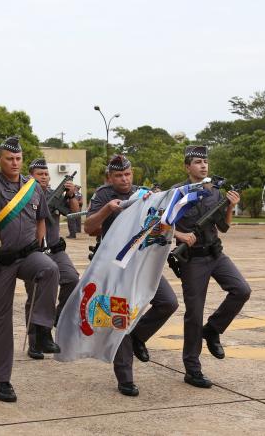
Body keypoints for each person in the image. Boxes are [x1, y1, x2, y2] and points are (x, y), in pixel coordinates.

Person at [0, 136, 60, 403]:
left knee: (50, 269)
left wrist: (40, 245)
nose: (15, 163)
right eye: (9, 158)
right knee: (1, 320)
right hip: (0, 262)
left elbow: (41, 218)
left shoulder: (33, 187)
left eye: (19, 158)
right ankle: (2, 381)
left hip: (28, 255)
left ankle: (41, 329)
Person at [84, 154, 179, 397]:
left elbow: (161, 223)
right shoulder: (104, 195)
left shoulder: (143, 192)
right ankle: (125, 377)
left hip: (143, 263)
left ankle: (138, 337)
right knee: (120, 316)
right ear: (109, 177)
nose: (124, 179)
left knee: (168, 302)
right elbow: (89, 228)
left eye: (127, 174)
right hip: (116, 268)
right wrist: (108, 209)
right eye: (118, 175)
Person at [173, 145, 251, 389]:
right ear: (187, 167)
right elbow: (160, 224)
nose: (203, 165)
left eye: (205, 161)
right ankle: (192, 369)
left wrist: (230, 206)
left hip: (216, 254)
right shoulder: (178, 193)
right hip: (193, 260)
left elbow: (224, 227)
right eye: (197, 162)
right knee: (194, 313)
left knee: (241, 290)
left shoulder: (214, 192)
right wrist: (181, 236)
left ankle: (213, 329)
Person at [26, 158, 80, 359]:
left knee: (73, 280)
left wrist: (71, 194)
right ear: (30, 176)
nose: (44, 177)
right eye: (39, 174)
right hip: (34, 253)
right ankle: (35, 343)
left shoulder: (54, 195)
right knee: (35, 296)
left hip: (56, 250)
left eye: (46, 174)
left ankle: (54, 318)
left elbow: (75, 212)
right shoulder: (23, 197)